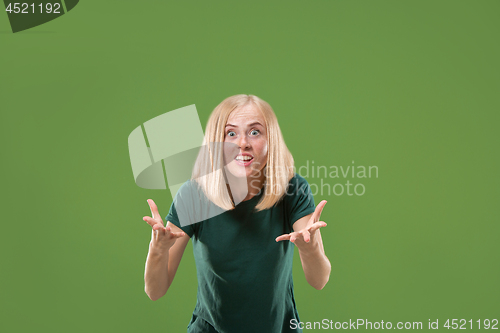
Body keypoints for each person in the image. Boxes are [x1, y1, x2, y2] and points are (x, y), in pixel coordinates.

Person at [142, 94, 331, 333]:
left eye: (255, 132)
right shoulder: (194, 195)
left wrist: (309, 248)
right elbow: (155, 291)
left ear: (271, 139)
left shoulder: (292, 189)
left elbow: (319, 281)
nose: (243, 143)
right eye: (231, 133)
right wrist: (158, 251)